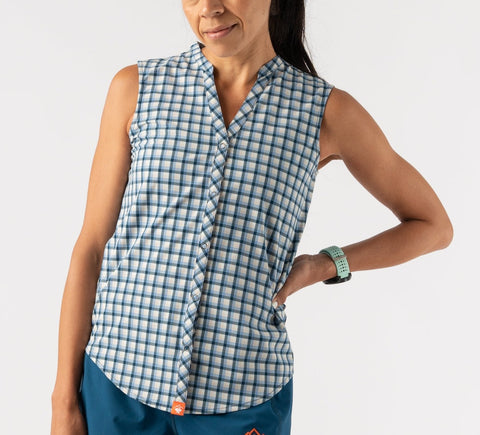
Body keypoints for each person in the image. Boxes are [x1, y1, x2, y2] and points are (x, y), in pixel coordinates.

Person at [50, 0, 453, 434]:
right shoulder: (136, 89)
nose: (209, 8)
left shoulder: (325, 113)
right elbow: (92, 248)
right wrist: (63, 403)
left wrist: (324, 265)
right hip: (117, 385)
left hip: (245, 396)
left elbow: (433, 226)